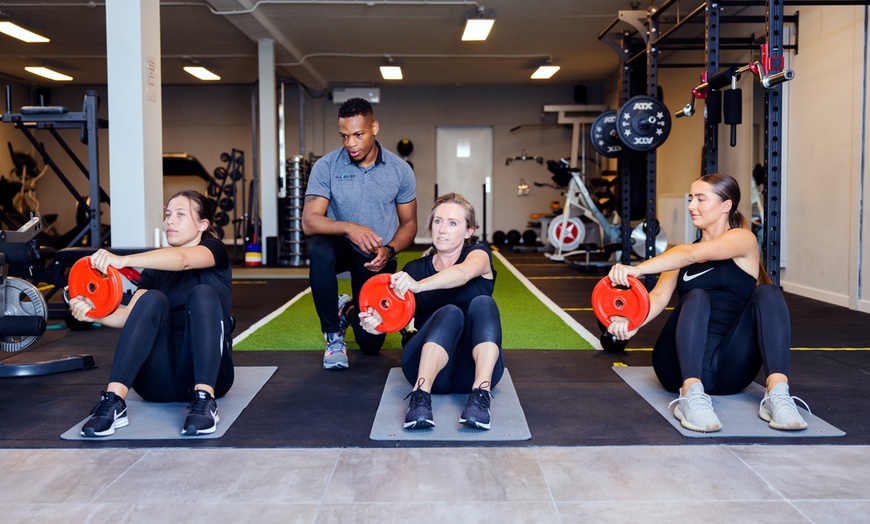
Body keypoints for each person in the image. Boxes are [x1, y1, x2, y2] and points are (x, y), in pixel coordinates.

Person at [606, 173, 809, 433]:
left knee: (769, 293)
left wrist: (636, 270)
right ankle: (690, 395)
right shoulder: (678, 256)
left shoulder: (742, 240)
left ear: (726, 206)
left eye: (701, 199)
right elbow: (657, 297)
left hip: (731, 369)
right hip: (677, 369)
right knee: (697, 296)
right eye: (691, 198)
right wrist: (633, 324)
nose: (691, 205)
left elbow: (692, 255)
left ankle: (778, 395)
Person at [69, 190, 234, 437]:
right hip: (157, 383)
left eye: (180, 214)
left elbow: (183, 260)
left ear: (203, 224)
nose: (170, 221)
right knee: (151, 298)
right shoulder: (154, 270)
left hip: (210, 375)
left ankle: (204, 401)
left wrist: (123, 261)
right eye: (168, 215)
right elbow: (129, 316)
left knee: (203, 294)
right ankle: (114, 401)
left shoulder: (215, 250)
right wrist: (91, 315)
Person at [359, 193, 503, 430]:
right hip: (427, 371)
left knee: (484, 304)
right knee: (450, 312)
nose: (442, 229)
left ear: (469, 231)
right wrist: (375, 324)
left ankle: (481, 396)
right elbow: (390, 317)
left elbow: (463, 274)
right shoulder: (414, 268)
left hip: (473, 371)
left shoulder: (478, 255)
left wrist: (418, 285)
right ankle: (420, 399)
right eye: (438, 221)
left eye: (453, 223)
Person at [302, 97, 417, 370]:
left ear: (374, 128)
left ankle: (347, 308)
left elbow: (409, 223)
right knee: (318, 249)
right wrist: (350, 227)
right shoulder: (327, 166)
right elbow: (309, 221)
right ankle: (333, 336)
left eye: (358, 135)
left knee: (370, 345)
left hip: (376, 254)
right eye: (344, 136)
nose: (350, 144)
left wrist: (388, 250)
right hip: (340, 247)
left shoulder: (400, 170)